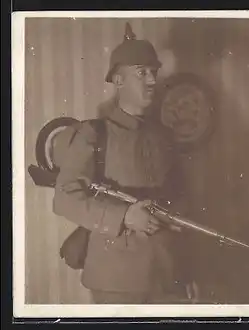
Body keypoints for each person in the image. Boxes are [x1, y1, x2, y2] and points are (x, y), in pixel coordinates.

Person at [53, 23, 198, 304]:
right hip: (115, 279)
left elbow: (181, 203)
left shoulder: (164, 137)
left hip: (166, 275)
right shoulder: (94, 133)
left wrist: (185, 270)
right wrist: (125, 216)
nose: (153, 81)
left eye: (153, 73)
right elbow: (64, 198)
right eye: (142, 73)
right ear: (118, 80)